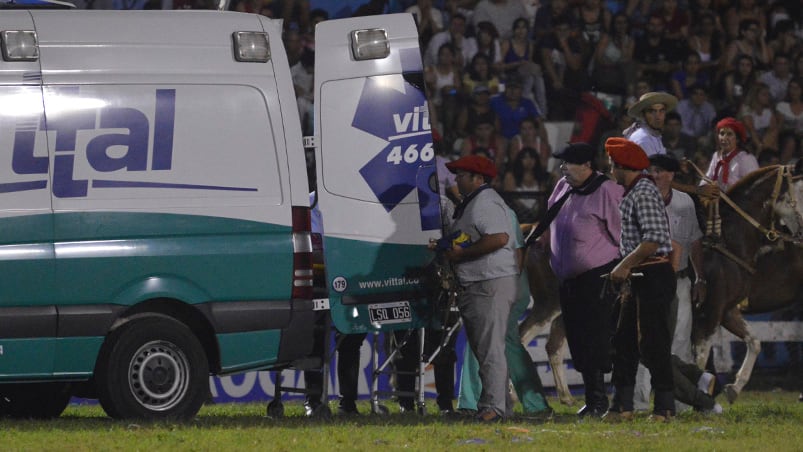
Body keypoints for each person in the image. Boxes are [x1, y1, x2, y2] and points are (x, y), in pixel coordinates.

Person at [540, 142, 625, 418]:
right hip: (568, 279)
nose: (563, 167)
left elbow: (622, 233)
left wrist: (619, 271)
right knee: (577, 337)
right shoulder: (564, 187)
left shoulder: (606, 190)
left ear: (587, 165)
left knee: (596, 338)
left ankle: (601, 400)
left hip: (597, 276)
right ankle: (592, 398)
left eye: (568, 163)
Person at [439, 154, 519, 422]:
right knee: (486, 348)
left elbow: (499, 238)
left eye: (461, 174)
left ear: (478, 178)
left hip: (489, 281)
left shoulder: (485, 201)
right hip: (481, 281)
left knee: (490, 349)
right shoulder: (472, 202)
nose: (456, 179)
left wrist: (462, 255)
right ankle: (498, 406)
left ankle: (493, 408)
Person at [603, 137, 677, 422]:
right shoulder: (635, 190)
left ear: (623, 166)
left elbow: (654, 239)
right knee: (624, 341)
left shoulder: (643, 192)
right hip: (640, 274)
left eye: (612, 165)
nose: (610, 170)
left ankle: (665, 407)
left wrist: (623, 264)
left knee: (653, 341)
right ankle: (622, 406)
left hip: (653, 273)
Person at [457, 206, 552, 418]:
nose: (457, 181)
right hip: (504, 288)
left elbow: (518, 252)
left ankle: (471, 403)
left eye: (462, 175)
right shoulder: (485, 210)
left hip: (503, 290)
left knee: (480, 342)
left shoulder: (492, 209)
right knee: (508, 343)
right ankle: (535, 404)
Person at [633, 154, 705, 412]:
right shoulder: (639, 200)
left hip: (680, 279)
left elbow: (694, 242)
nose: (655, 175)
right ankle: (639, 401)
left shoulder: (685, 202)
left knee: (680, 341)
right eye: (651, 170)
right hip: (649, 280)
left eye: (660, 171)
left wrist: (700, 277)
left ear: (672, 175)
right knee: (645, 342)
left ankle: (680, 402)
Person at [623, 91, 679, 156]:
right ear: (643, 114)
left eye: (661, 110)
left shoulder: (654, 135)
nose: (658, 116)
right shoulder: (643, 139)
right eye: (652, 111)